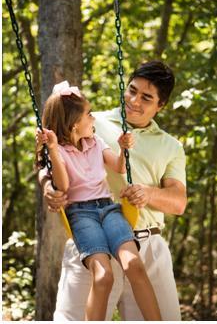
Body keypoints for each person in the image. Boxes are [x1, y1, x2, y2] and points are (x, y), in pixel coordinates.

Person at [39, 60, 187, 321]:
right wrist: (47, 186)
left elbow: (178, 203)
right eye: (132, 90)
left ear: (160, 105)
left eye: (146, 97)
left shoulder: (171, 146)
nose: (134, 100)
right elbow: (46, 161)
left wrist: (148, 193)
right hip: (91, 237)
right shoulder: (92, 122)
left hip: (146, 244)